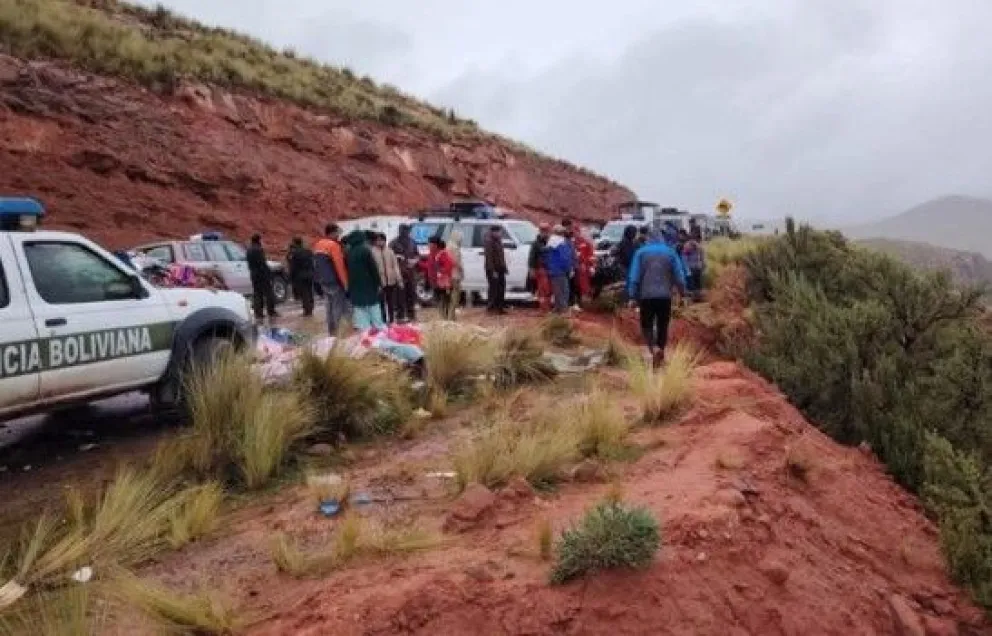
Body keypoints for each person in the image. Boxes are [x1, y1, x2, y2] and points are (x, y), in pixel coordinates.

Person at [627, 228, 687, 369]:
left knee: (646, 325)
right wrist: (682, 294)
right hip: (665, 297)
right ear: (662, 239)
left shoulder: (641, 253)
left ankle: (653, 348)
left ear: (648, 239)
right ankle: (660, 350)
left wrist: (632, 295)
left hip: (646, 296)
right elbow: (679, 276)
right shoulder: (670, 252)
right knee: (663, 325)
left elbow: (634, 276)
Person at [344, 230, 384, 331]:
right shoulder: (365, 250)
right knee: (374, 308)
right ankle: (378, 329)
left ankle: (365, 332)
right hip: (369, 285)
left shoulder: (348, 253)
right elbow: (373, 269)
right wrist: (378, 283)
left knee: (360, 310)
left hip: (355, 286)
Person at [313, 223, 349, 335]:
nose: (338, 235)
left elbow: (315, 265)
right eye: (337, 233)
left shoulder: (318, 245)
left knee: (329, 307)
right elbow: (339, 266)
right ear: (332, 233)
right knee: (338, 307)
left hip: (323, 282)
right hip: (334, 281)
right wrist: (345, 284)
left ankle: (331, 331)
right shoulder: (333, 245)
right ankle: (338, 332)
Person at [389, 224, 420, 323]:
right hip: (399, 273)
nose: (406, 233)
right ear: (400, 231)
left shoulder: (412, 242)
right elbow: (389, 257)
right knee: (399, 295)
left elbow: (417, 255)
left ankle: (411, 315)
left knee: (411, 293)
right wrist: (397, 257)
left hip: (410, 272)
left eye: (407, 231)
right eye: (404, 231)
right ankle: (400, 316)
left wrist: (414, 261)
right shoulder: (393, 243)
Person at [371, 232, 403, 324]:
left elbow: (395, 266)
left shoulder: (390, 251)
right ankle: (383, 320)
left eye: (382, 240)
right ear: (375, 241)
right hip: (379, 282)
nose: (380, 242)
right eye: (378, 240)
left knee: (390, 301)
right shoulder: (372, 252)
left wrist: (399, 280)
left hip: (390, 281)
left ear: (385, 241)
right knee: (381, 303)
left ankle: (391, 320)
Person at [246, 234, 278, 320]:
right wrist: (269, 274)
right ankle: (271, 311)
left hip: (254, 274)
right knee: (269, 293)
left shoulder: (249, 250)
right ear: (259, 240)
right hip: (262, 274)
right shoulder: (259, 250)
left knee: (257, 293)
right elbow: (262, 263)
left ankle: (258, 313)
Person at [544, 226, 575, 314]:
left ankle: (558, 309)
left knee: (558, 291)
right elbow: (565, 258)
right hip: (560, 270)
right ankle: (563, 311)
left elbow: (547, 256)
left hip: (553, 270)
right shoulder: (561, 243)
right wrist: (569, 269)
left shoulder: (551, 242)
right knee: (563, 291)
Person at [429, 236, 456, 319]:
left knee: (444, 301)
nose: (429, 246)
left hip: (442, 283)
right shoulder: (432, 254)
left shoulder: (442, 254)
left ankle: (446, 317)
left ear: (435, 245)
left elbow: (450, 264)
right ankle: (443, 317)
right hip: (435, 282)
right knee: (439, 301)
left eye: (430, 244)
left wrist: (440, 270)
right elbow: (429, 266)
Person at [287, 237, 315, 316]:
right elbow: (312, 262)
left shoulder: (294, 253)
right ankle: (311, 307)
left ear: (294, 243)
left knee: (304, 293)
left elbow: (293, 266)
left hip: (300, 276)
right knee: (310, 291)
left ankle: (307, 311)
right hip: (309, 274)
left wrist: (290, 277)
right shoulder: (308, 251)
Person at [483, 224, 507, 315]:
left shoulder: (498, 241)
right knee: (494, 289)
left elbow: (501, 256)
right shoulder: (489, 242)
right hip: (493, 269)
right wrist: (493, 271)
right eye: (499, 232)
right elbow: (489, 258)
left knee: (501, 288)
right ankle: (491, 307)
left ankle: (499, 307)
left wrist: (504, 267)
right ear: (494, 232)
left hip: (500, 268)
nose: (500, 234)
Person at [528, 223, 552, 311]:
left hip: (549, 268)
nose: (546, 233)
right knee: (543, 289)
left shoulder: (549, 242)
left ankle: (547, 307)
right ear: (540, 231)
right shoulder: (536, 243)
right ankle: (543, 308)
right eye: (544, 231)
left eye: (547, 231)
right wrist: (532, 269)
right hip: (541, 268)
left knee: (549, 289)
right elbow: (531, 257)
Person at [445, 231, 464, 320]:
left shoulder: (447, 246)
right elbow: (456, 261)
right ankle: (451, 316)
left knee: (449, 295)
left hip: (448, 274)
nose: (461, 240)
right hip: (455, 274)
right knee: (455, 296)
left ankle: (448, 315)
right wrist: (462, 270)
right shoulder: (455, 248)